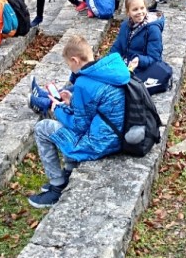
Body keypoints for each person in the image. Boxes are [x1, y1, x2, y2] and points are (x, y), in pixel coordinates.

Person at [27, 35, 129, 208]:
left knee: (42, 127)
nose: (71, 69)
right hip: (116, 136)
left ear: (75, 60)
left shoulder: (83, 83)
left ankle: (56, 186)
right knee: (65, 122)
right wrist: (72, 102)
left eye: (69, 65)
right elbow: (94, 109)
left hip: (100, 143)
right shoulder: (108, 71)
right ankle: (69, 170)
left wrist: (57, 109)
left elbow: (79, 126)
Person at [109, 0, 164, 81]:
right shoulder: (125, 26)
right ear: (128, 12)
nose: (140, 12)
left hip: (142, 69)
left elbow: (155, 59)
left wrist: (139, 60)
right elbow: (117, 46)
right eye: (135, 9)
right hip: (126, 66)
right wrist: (110, 59)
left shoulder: (153, 30)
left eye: (142, 8)